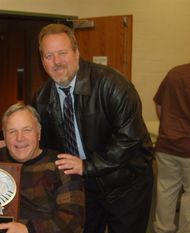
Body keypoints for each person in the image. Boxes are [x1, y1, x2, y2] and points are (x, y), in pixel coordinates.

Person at [31, 23, 154, 233]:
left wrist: (87, 166)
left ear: (77, 53)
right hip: (83, 188)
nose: (57, 62)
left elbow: (130, 140)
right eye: (49, 56)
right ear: (42, 61)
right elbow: (44, 145)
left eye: (62, 53)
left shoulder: (113, 84)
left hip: (126, 185)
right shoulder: (42, 100)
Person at [0, 103, 85, 233]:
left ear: (39, 133)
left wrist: (28, 230)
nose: (19, 138)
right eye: (12, 131)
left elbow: (74, 221)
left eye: (27, 130)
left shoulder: (61, 165)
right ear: (4, 136)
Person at [153, 63, 190, 233]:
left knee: (166, 189)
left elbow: (160, 107)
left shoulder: (174, 73)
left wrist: (170, 127)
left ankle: (162, 229)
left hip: (167, 145)